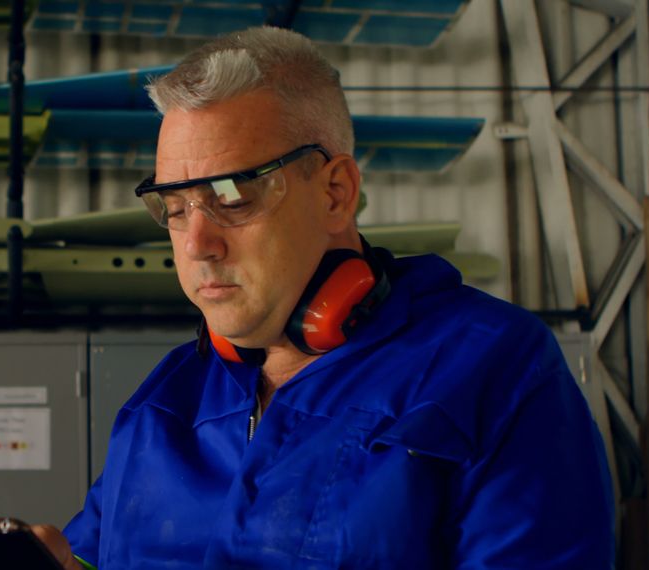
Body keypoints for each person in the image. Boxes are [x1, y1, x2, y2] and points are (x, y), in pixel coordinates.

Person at [33, 26, 615, 568]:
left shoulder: (495, 371)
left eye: (233, 196)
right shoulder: (161, 407)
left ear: (336, 192)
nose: (198, 244)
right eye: (176, 207)